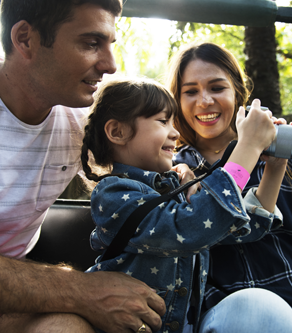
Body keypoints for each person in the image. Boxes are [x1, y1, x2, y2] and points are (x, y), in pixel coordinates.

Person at [80, 77, 292, 333]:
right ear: (118, 132)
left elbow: (243, 228)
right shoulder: (113, 194)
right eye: (163, 121)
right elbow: (190, 227)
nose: (175, 133)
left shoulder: (175, 189)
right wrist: (246, 147)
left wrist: (275, 166)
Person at [0, 1, 166, 332]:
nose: (111, 65)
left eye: (110, 44)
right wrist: (82, 290)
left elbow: (163, 144)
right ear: (25, 39)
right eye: (91, 43)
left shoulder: (81, 123)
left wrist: (247, 149)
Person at [168, 42, 292, 332]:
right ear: (177, 100)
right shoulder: (176, 169)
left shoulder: (282, 153)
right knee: (260, 309)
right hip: (231, 309)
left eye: (217, 88)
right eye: (190, 91)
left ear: (238, 93)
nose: (204, 101)